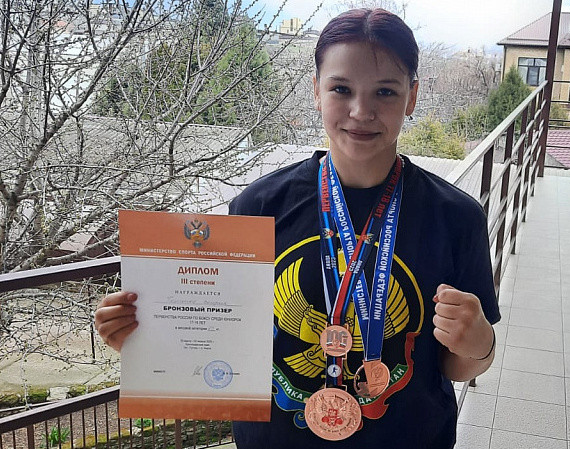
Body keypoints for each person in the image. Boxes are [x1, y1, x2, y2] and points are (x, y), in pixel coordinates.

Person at [95, 8, 500, 448]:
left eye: (385, 91)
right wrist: (149, 337)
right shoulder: (258, 207)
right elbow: (223, 337)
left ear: (413, 97)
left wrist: (480, 345)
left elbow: (455, 364)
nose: (361, 111)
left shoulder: (456, 217)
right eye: (341, 89)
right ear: (316, 91)